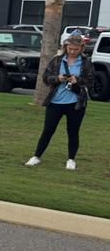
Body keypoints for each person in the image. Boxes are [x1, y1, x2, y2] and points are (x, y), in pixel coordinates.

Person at [25, 34, 94, 170]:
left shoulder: (86, 63)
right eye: (70, 48)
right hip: (56, 101)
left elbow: (91, 82)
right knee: (48, 130)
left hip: (76, 103)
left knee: (73, 132)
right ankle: (36, 156)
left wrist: (78, 80)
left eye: (75, 49)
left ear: (81, 48)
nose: (72, 51)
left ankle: (71, 159)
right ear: (65, 47)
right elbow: (45, 78)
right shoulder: (57, 60)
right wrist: (58, 78)